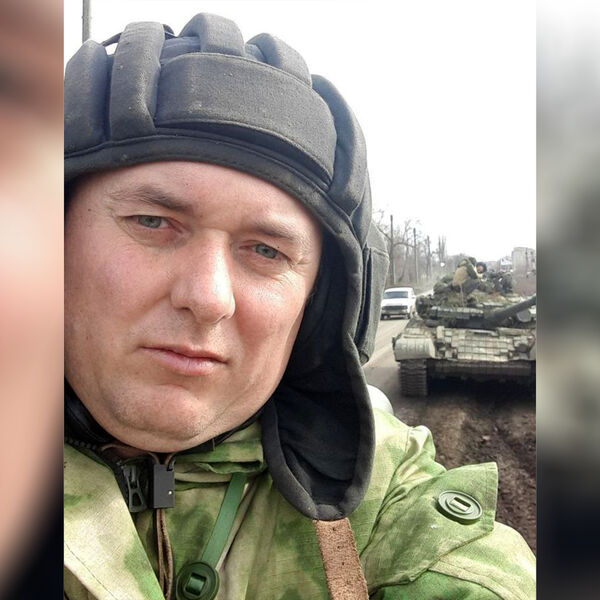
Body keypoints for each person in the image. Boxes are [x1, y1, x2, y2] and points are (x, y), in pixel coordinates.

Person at [64, 14, 535, 600]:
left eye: (266, 251)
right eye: (152, 222)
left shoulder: (383, 502)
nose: (208, 298)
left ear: (317, 306)